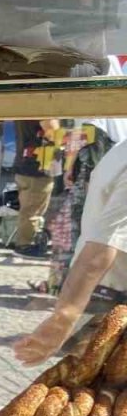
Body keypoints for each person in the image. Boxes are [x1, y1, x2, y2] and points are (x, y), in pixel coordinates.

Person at [14, 136, 127, 365]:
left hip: (112, 302)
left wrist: (62, 318)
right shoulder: (122, 148)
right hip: (103, 297)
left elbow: (104, 245)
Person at [13, 119, 59, 259]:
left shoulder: (25, 107)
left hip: (25, 162)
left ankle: (26, 241)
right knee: (33, 209)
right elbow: (52, 131)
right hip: (37, 165)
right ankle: (25, 245)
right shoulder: (43, 108)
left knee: (29, 207)